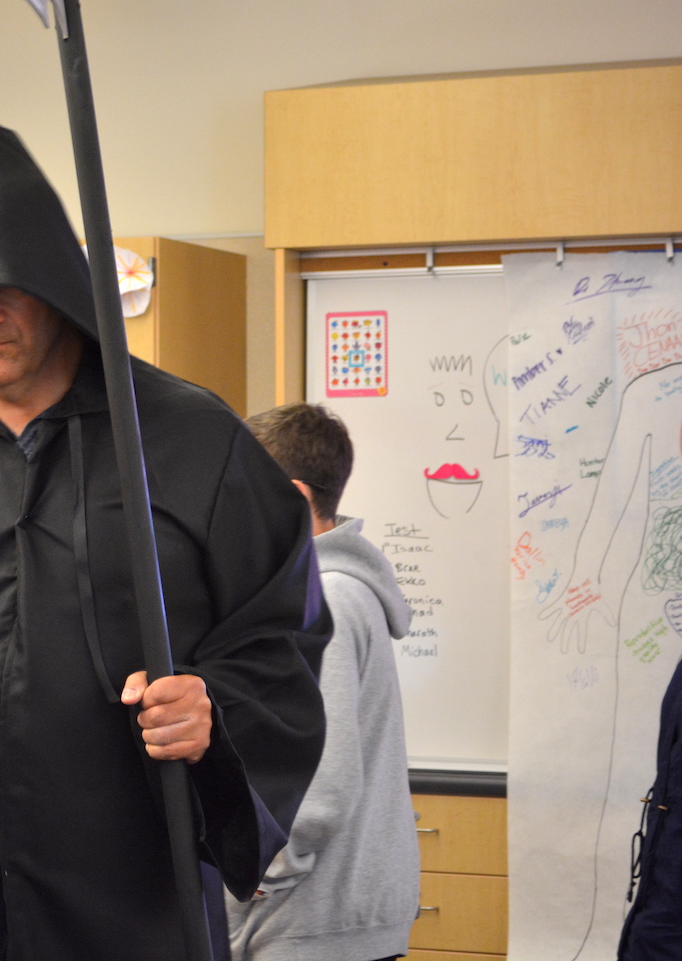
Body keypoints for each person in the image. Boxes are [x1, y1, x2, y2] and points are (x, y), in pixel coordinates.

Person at [0, 123, 332, 961]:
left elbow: (281, 637)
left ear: (55, 289)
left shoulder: (193, 443)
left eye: (6, 288)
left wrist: (214, 709)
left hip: (129, 903)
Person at [227, 402, 419, 961]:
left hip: (313, 923)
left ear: (291, 497)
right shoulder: (332, 591)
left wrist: (256, 868)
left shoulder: (324, 599)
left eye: (240, 492)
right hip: (324, 919)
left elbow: (321, 781)